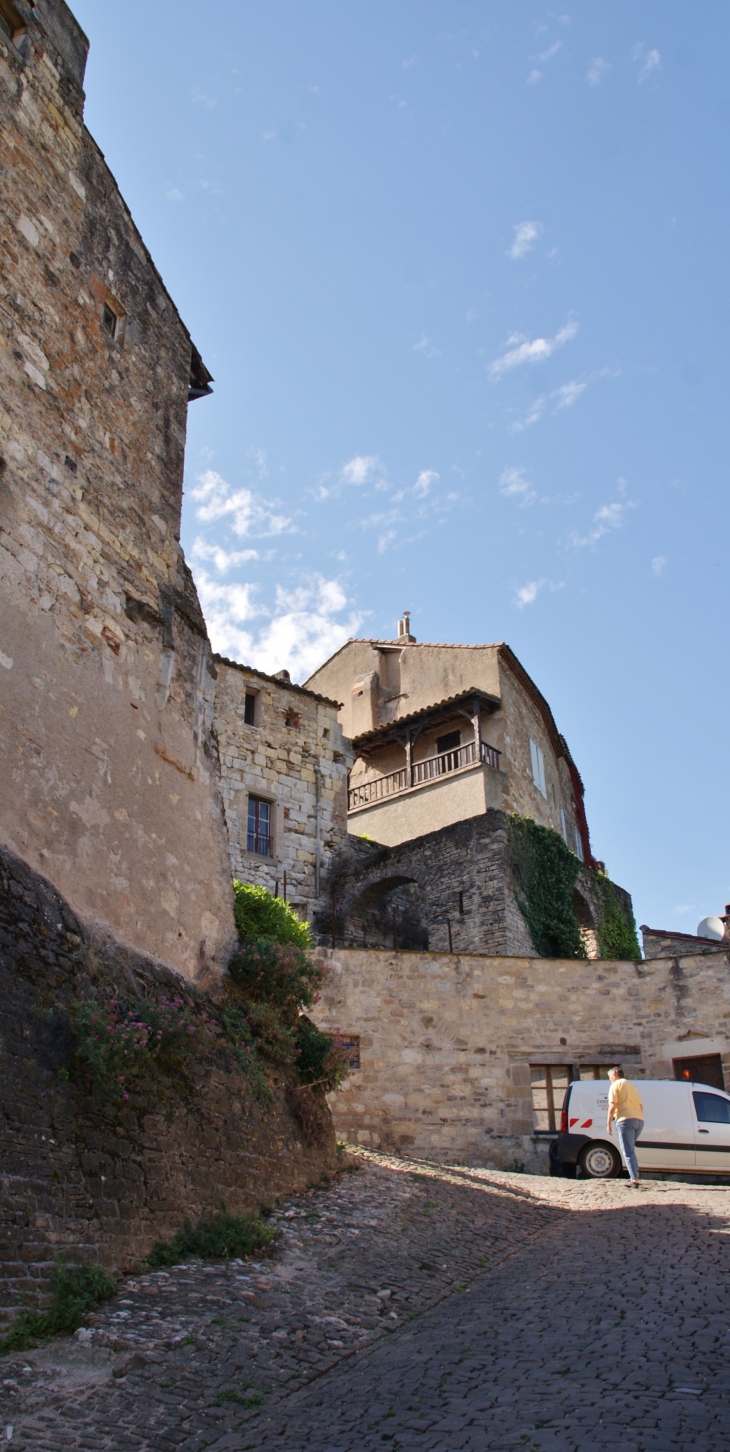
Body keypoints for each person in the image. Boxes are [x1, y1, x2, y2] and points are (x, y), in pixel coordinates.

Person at [606, 1067, 644, 1186]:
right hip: (639, 1120)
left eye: (610, 1077)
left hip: (625, 1120)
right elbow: (640, 1106)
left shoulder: (615, 1085)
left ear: (615, 1075)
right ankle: (636, 1174)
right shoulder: (632, 1085)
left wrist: (608, 1123)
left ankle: (634, 1178)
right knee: (631, 1148)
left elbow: (612, 1105)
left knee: (627, 1150)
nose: (609, 1080)